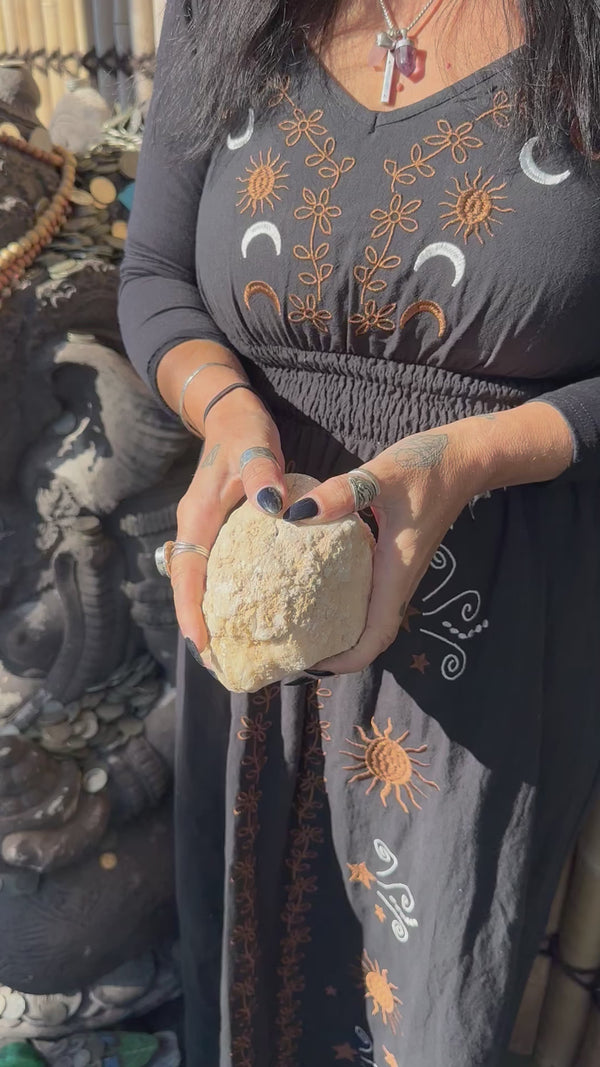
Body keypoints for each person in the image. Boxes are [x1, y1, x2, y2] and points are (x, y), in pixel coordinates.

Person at [118, 1, 600, 1063]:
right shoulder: (227, 14)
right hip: (254, 598)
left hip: (496, 633)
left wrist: (472, 455)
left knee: (434, 997)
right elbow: (154, 274)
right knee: (243, 970)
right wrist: (230, 419)